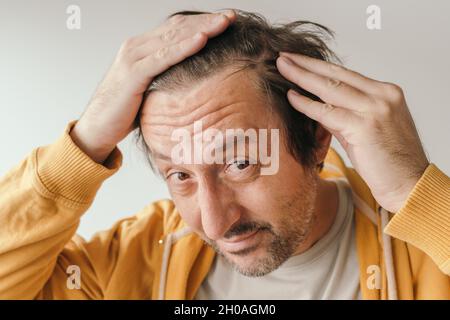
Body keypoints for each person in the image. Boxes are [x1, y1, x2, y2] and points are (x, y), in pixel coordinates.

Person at [0, 9, 448, 300]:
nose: (214, 224)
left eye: (239, 164)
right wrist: (87, 140)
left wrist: (413, 190)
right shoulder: (131, 263)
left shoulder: (426, 253)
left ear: (315, 139)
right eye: (179, 175)